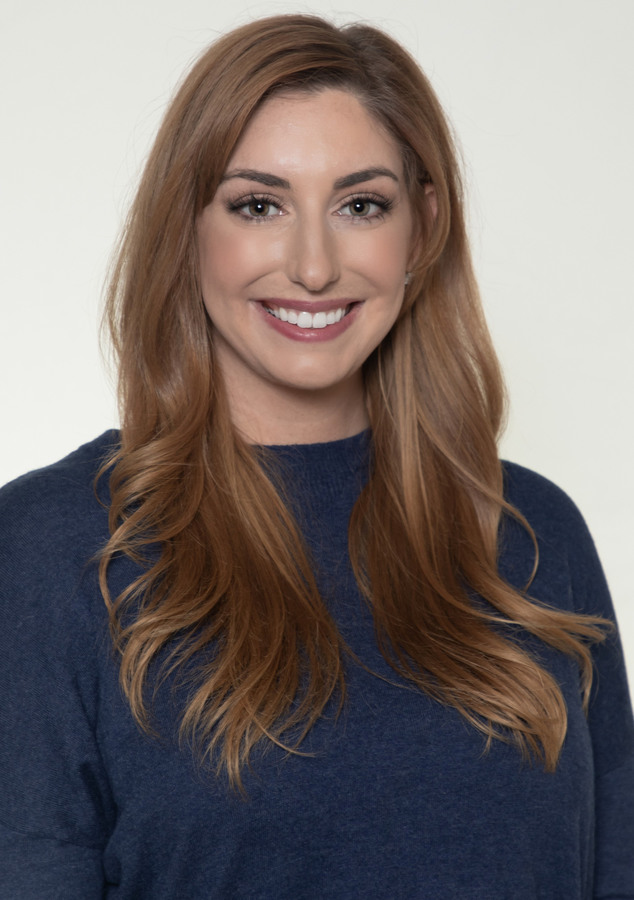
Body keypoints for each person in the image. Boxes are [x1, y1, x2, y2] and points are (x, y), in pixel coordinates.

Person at [0, 13, 632, 898]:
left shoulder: (531, 534)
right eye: (258, 205)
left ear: (423, 226)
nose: (312, 267)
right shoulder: (55, 547)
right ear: (186, 227)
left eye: (360, 205)